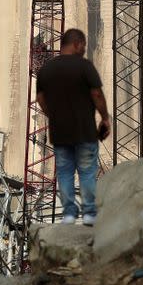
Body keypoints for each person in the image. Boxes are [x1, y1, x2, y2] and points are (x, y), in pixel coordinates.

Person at [36, 29, 111, 226]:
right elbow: (96, 94)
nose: (84, 49)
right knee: (86, 172)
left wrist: (53, 115)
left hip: (60, 133)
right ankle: (89, 213)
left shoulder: (46, 70)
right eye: (83, 45)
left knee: (65, 173)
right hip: (84, 131)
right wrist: (104, 118)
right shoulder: (84, 67)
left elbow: (40, 99)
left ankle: (69, 213)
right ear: (76, 43)